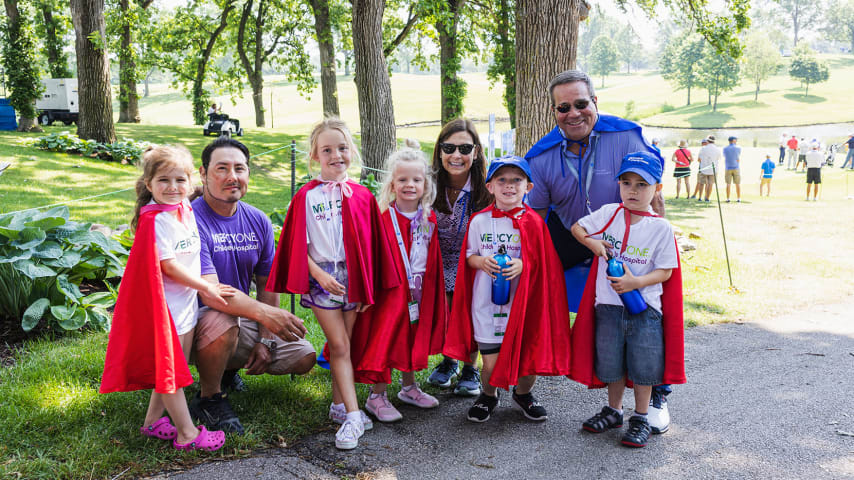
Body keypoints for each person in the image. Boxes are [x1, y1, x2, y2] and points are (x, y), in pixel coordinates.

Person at [523, 69, 671, 434]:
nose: (573, 113)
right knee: (530, 288)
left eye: (581, 104)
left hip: (629, 236)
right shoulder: (540, 157)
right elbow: (535, 216)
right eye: (563, 107)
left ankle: (657, 393)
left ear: (594, 102)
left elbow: (655, 193)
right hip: (576, 232)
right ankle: (522, 376)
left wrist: (659, 240)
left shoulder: (626, 135)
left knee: (648, 312)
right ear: (554, 111)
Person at [265, 117, 399, 450]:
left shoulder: (362, 196)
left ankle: (339, 406)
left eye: (341, 148)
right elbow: (298, 245)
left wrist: (367, 286)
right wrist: (319, 275)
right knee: (338, 345)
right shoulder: (306, 197)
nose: (335, 155)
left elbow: (371, 244)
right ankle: (354, 418)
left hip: (353, 279)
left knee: (347, 343)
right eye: (327, 149)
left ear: (351, 150)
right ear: (314, 156)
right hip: (323, 279)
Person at [100, 145, 232, 452]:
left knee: (176, 366)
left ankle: (151, 422)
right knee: (170, 371)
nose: (172, 187)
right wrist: (206, 287)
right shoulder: (156, 220)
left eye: (179, 180)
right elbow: (168, 266)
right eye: (163, 181)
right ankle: (186, 433)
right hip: (165, 310)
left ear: (191, 182)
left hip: (184, 305)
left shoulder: (184, 210)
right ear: (149, 185)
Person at [188, 137, 316, 436]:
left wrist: (267, 338)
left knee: (304, 356)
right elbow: (212, 292)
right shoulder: (190, 220)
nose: (232, 176)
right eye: (222, 169)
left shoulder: (257, 220)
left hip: (238, 317)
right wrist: (263, 315)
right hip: (191, 323)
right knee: (222, 317)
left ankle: (227, 370)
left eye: (240, 168)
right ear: (203, 174)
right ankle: (209, 397)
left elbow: (266, 284)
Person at [569, 151, 684, 448]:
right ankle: (614, 410)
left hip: (645, 311)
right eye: (627, 182)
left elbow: (666, 271)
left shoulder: (661, 227)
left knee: (644, 367)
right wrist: (592, 241)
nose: (632, 190)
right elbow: (577, 228)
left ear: (657, 188)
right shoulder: (609, 213)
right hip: (608, 307)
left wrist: (636, 282)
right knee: (612, 364)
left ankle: (641, 416)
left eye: (642, 184)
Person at [443, 155, 571, 423]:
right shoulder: (479, 221)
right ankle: (489, 395)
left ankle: (523, 394)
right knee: (490, 363)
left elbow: (544, 264)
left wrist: (523, 265)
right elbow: (468, 257)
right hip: (486, 302)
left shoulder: (534, 222)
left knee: (527, 357)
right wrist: (482, 261)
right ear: (490, 186)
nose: (509, 186)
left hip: (521, 304)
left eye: (517, 180)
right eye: (501, 180)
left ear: (529, 187)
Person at [360, 146, 447, 422]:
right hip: (390, 292)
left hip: (418, 291)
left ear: (425, 184)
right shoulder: (383, 216)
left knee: (411, 336)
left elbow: (431, 258)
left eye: (416, 180)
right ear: (392, 184)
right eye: (403, 180)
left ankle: (409, 387)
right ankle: (376, 395)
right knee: (386, 338)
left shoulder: (428, 217)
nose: (410, 185)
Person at [426, 119, 493, 397]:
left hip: (472, 262)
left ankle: (470, 367)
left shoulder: (487, 189)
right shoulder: (427, 185)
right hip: (436, 261)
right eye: (449, 147)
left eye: (464, 148)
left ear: (476, 152)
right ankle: (449, 360)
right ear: (440, 152)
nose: (456, 155)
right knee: (443, 309)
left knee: (470, 306)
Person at [696, 135, 720, 203]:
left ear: (707, 140)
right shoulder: (717, 149)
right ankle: (707, 198)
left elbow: (699, 159)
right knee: (710, 184)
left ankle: (700, 197)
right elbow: (718, 158)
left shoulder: (703, 148)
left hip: (703, 168)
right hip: (713, 169)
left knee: (701, 183)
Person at [722, 136, 742, 203]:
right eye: (736, 140)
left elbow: (725, 156)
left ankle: (728, 198)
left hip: (728, 167)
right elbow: (738, 157)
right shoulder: (738, 148)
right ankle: (738, 198)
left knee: (728, 184)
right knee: (737, 183)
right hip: (736, 167)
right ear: (733, 140)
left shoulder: (725, 148)